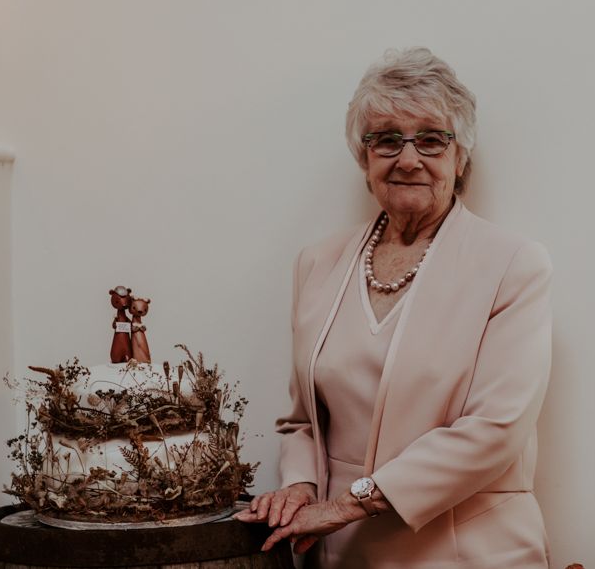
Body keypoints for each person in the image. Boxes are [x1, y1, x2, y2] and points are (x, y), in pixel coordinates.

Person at [235, 47, 553, 568]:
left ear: (460, 156)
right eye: (386, 139)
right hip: (340, 552)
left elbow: (496, 428)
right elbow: (302, 421)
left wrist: (346, 505)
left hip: (469, 553)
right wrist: (299, 485)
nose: (408, 158)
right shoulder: (317, 263)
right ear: (364, 159)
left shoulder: (513, 265)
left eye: (430, 139)